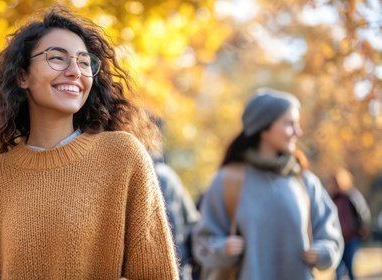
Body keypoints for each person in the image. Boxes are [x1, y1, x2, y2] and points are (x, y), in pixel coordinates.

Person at [0, 5, 179, 280]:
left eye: (84, 62)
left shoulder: (122, 155)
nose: (75, 71)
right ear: (23, 76)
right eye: (57, 58)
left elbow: (158, 275)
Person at [192, 88, 343, 280]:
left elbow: (331, 236)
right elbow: (202, 242)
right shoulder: (227, 180)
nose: (298, 132)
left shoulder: (304, 181)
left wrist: (323, 252)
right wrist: (223, 249)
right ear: (263, 128)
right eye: (289, 124)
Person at [154, 155, 200, 280]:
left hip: (176, 265)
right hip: (179, 265)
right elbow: (192, 221)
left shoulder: (165, 176)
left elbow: (192, 222)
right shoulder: (168, 175)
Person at [326, 168, 371, 280]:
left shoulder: (351, 196)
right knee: (338, 271)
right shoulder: (332, 199)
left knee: (349, 268)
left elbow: (363, 212)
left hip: (351, 237)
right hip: (337, 238)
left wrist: (362, 228)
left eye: (333, 183)